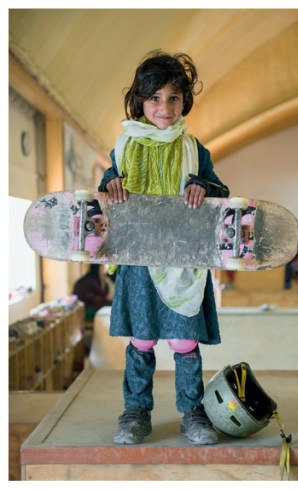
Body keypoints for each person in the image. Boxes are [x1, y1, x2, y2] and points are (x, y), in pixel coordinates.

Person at [99, 50, 230, 445]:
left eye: (174, 98)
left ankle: (192, 413)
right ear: (140, 101)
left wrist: (202, 187)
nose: (164, 107)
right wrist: (110, 186)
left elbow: (221, 192)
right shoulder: (123, 149)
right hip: (138, 263)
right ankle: (136, 412)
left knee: (183, 342)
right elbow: (105, 190)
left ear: (184, 102)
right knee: (141, 340)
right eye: (155, 98)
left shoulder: (194, 150)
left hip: (182, 264)